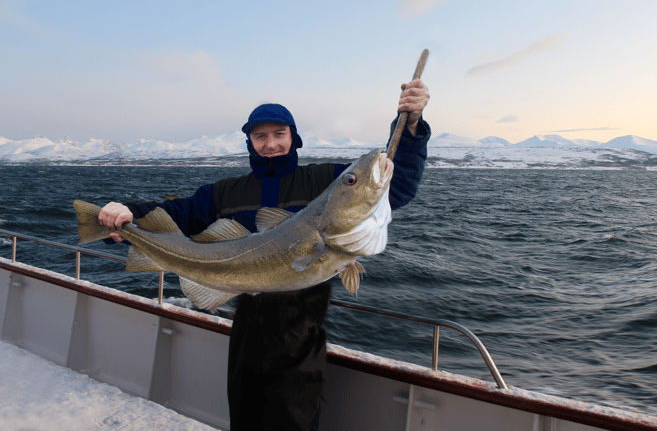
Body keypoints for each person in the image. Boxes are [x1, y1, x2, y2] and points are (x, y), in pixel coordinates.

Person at [97, 80, 431, 431]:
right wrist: (125, 215)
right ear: (250, 143)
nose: (271, 143)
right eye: (260, 137)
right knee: (245, 419)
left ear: (293, 137)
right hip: (245, 328)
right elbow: (178, 213)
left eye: (279, 133)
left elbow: (396, 184)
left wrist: (408, 125)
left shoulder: (326, 180)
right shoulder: (225, 191)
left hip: (300, 332)